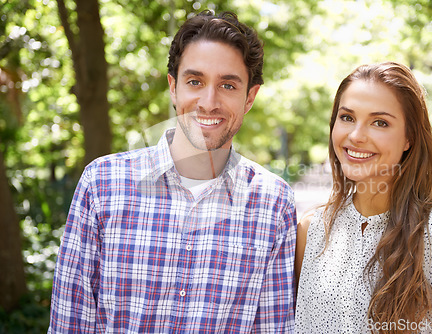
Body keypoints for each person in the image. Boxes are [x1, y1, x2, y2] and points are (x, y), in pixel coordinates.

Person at [49, 11, 296, 333]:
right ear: (173, 87)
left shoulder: (274, 203)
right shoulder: (102, 184)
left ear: (250, 97)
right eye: (195, 81)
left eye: (228, 85)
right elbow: (71, 322)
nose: (209, 102)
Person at [295, 62, 432, 333]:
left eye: (380, 122)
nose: (356, 136)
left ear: (408, 138)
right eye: (347, 118)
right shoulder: (311, 228)